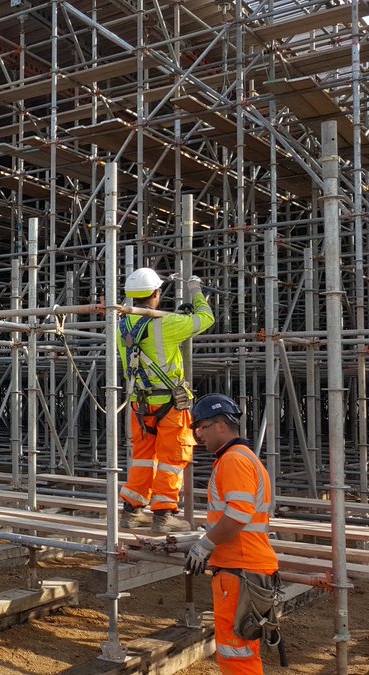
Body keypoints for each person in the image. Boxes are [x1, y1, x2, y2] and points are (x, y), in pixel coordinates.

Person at [185, 393, 280, 674]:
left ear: (221, 426)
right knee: (241, 646)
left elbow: (238, 516)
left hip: (240, 568)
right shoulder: (242, 457)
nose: (198, 434)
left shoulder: (233, 460)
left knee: (236, 651)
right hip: (246, 564)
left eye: (201, 427)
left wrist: (205, 544)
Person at [118, 267, 215, 533]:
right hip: (170, 403)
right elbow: (205, 319)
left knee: (143, 457)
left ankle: (132, 510)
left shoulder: (122, 325)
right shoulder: (166, 323)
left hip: (140, 403)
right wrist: (196, 292)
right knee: (173, 458)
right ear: (156, 293)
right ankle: (164, 514)